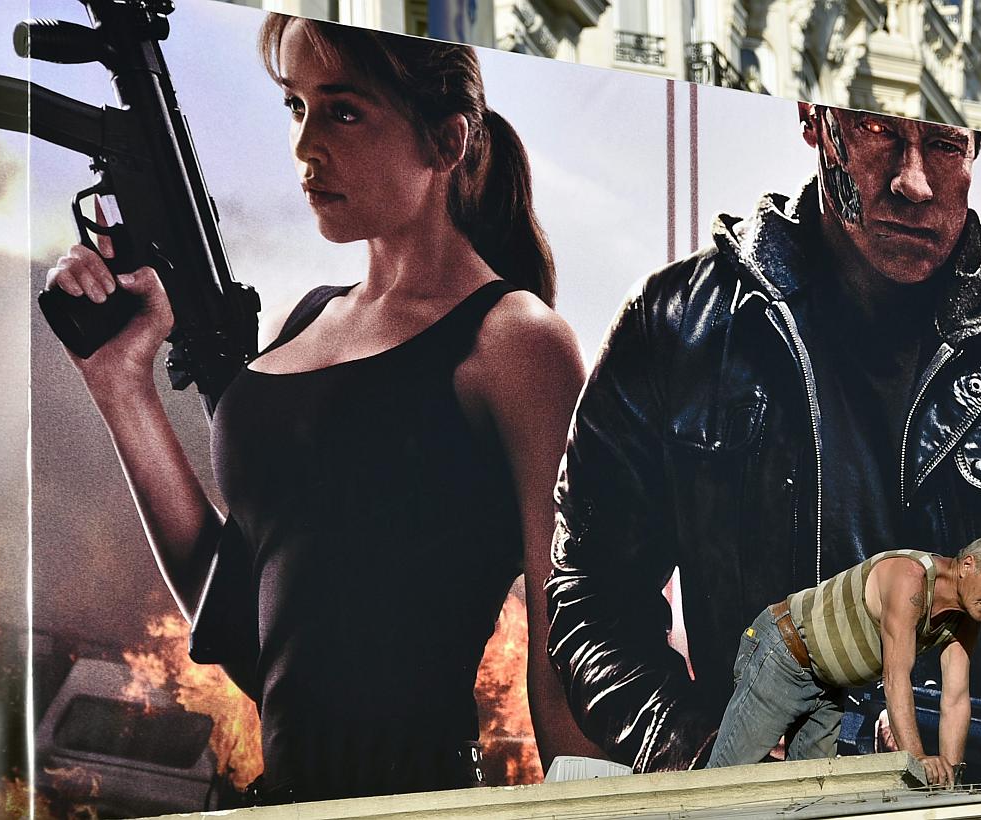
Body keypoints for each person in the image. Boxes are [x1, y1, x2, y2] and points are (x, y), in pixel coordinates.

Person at [45, 17, 593, 803]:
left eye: (343, 111)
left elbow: (564, 647)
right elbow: (244, 634)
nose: (306, 149)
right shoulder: (303, 322)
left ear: (447, 141)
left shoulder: (515, 341)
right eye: (295, 108)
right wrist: (119, 386)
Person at [547, 104, 981, 772]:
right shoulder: (676, 328)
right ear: (814, 118)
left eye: (942, 144)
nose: (913, 182)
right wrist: (706, 752)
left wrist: (966, 751)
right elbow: (593, 595)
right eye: (878, 130)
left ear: (976, 148)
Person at [706, 534, 981, 786]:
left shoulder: (967, 617)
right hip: (785, 656)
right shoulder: (910, 577)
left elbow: (955, 700)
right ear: (967, 565)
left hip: (829, 686)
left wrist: (951, 779)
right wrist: (916, 758)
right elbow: (896, 677)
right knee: (724, 781)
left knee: (812, 799)